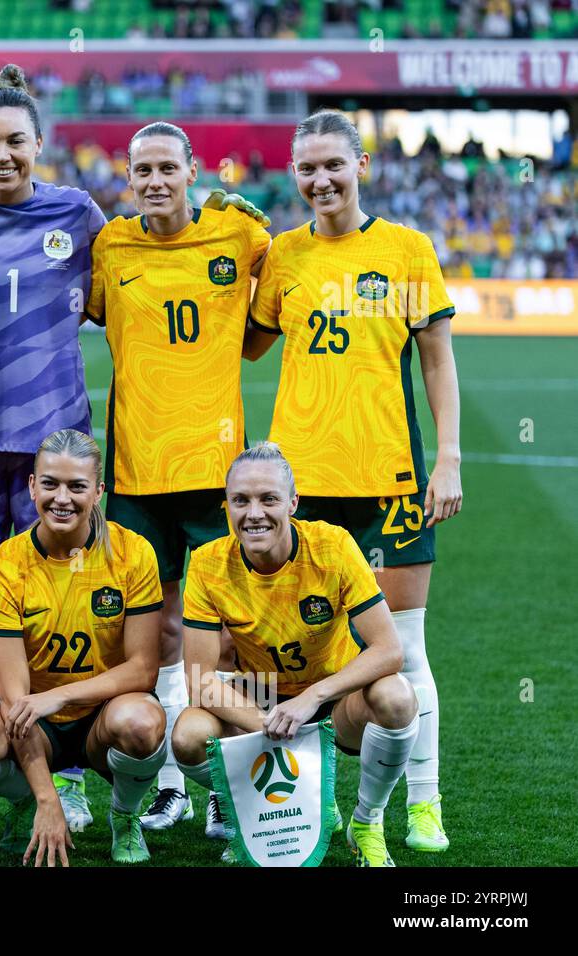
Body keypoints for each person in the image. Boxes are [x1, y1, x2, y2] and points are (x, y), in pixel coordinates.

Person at [0, 64, 266, 829]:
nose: (3, 153)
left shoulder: (83, 215)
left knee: (70, 597)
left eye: (17, 140)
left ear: (41, 144)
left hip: (57, 437)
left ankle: (71, 768)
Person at [246, 109, 462, 852]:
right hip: (300, 488)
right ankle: (313, 802)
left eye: (333, 164)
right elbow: (247, 345)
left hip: (389, 481)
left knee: (406, 648)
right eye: (306, 168)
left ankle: (422, 804)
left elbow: (436, 359)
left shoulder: (406, 250)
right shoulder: (282, 255)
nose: (320, 180)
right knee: (302, 649)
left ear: (362, 165)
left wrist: (449, 458)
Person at [87, 121, 271, 837]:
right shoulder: (112, 244)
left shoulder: (237, 235)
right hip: (136, 469)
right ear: (129, 178)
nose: (155, 179)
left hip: (220, 474)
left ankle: (224, 782)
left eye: (169, 166)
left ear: (194, 170)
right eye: (143, 169)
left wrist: (246, 205)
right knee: (154, 636)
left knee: (223, 641)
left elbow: (260, 333)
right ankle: (171, 784)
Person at [172, 442, 420, 867]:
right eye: (240, 500)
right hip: (262, 698)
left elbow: (389, 650)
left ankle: (366, 821)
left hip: (332, 699)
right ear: (226, 506)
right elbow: (200, 680)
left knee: (397, 698)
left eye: (268, 499)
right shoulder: (208, 563)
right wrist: (267, 724)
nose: (254, 513)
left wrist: (314, 698)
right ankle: (249, 812)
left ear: (293, 503)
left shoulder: (332, 546)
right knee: (188, 736)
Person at [0, 429, 168, 865]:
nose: (61, 498)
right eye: (50, 484)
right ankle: (28, 801)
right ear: (31, 486)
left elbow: (142, 671)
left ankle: (124, 815)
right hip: (34, 723)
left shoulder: (133, 553)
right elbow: (14, 700)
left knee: (141, 723)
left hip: (105, 714)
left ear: (98, 492)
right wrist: (49, 800)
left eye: (77, 486)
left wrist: (59, 696)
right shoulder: (5, 566)